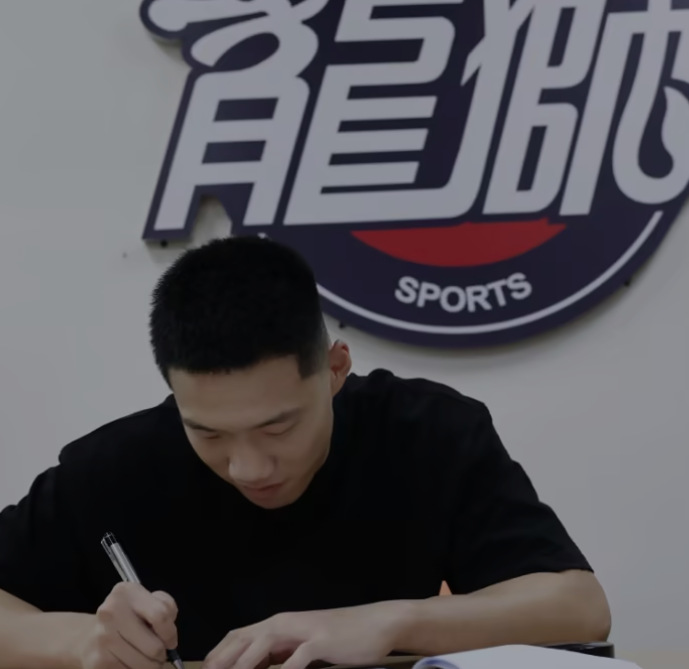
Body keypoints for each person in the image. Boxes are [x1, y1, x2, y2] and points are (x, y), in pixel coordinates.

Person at [0, 237, 610, 669]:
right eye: (209, 433)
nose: (248, 467)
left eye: (278, 427)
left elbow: (579, 607)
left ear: (335, 369)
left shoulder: (427, 433)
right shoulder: (117, 466)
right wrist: (78, 642)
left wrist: (387, 622)